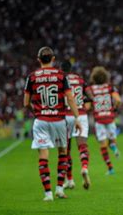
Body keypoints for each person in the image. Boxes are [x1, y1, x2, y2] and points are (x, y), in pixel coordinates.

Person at [24, 47, 82, 201]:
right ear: (53, 58)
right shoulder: (61, 76)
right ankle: (59, 189)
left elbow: (25, 103)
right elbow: (70, 98)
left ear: (38, 59)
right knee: (63, 152)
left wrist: (36, 111)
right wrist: (77, 117)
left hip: (41, 120)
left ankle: (48, 194)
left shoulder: (32, 77)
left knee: (44, 155)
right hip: (58, 120)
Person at [61, 61, 91, 190]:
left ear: (61, 69)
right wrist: (84, 106)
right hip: (81, 114)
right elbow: (90, 97)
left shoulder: (61, 79)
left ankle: (70, 180)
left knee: (66, 149)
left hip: (66, 114)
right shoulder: (80, 80)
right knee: (82, 145)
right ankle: (84, 167)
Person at [86, 66, 121, 175]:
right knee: (112, 140)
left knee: (102, 144)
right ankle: (114, 147)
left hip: (99, 119)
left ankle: (110, 168)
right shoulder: (110, 87)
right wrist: (114, 108)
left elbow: (87, 106)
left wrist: (91, 107)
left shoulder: (91, 89)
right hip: (110, 117)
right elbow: (118, 100)